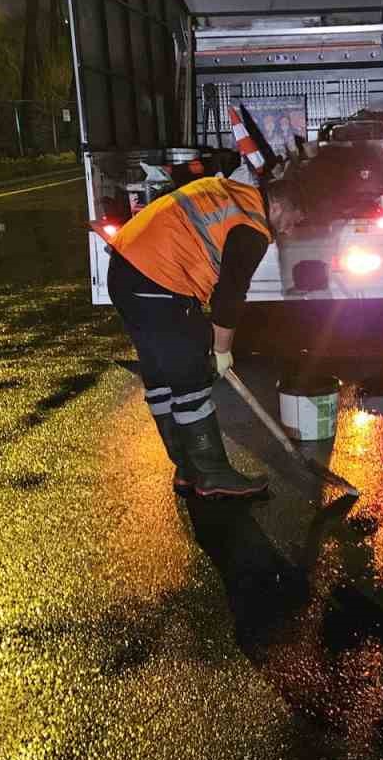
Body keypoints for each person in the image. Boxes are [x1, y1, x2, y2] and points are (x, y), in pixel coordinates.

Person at [107, 143, 305, 499]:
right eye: (292, 220)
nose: (289, 230)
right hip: (158, 280)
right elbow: (229, 297)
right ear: (278, 205)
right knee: (190, 378)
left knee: (162, 376)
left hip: (126, 269)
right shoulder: (252, 226)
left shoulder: (236, 193)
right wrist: (221, 350)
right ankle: (212, 474)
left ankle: (188, 469)